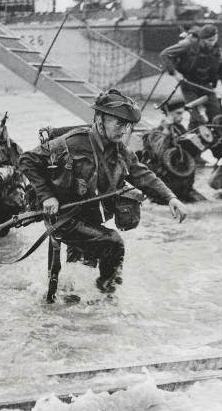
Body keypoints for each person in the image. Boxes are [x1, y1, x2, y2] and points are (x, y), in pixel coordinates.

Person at [19, 89, 189, 294]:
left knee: (80, 272)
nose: (124, 130)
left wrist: (170, 198)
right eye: (119, 123)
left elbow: (141, 174)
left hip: (90, 220)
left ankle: (74, 307)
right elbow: (27, 160)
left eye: (127, 125)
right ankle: (107, 297)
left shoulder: (118, 149)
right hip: (65, 219)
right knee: (113, 243)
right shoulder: (73, 142)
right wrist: (47, 196)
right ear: (100, 120)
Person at [161, 24, 222, 125]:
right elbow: (165, 54)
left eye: (215, 40)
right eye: (209, 40)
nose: (213, 43)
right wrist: (175, 73)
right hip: (189, 84)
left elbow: (221, 69)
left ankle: (213, 137)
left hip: (205, 85)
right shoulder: (188, 44)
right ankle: (191, 137)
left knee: (216, 114)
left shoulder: (216, 49)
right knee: (196, 117)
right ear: (202, 39)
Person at [141, 96, 204, 203]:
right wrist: (166, 129)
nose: (181, 117)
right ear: (168, 114)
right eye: (178, 113)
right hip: (165, 187)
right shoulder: (156, 133)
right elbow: (158, 153)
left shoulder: (181, 130)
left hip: (184, 184)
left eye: (182, 113)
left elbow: (194, 155)